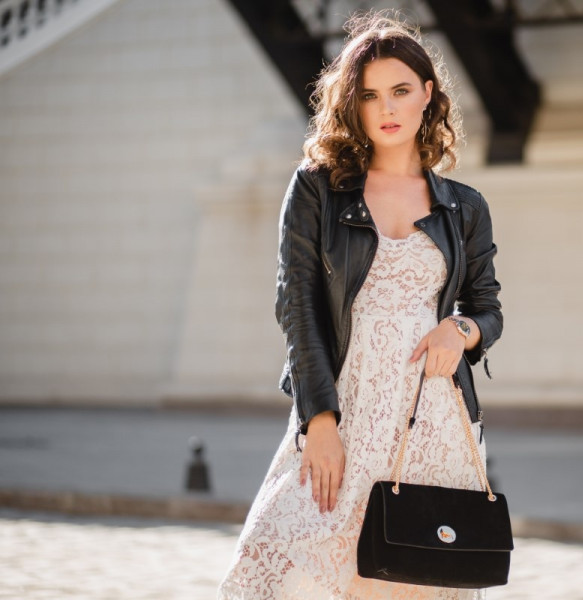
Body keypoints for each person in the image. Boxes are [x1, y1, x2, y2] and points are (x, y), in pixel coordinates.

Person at [218, 12, 502, 600]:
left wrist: (461, 330)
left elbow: (488, 308)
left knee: (414, 573)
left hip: (434, 420)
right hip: (345, 405)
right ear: (354, 104)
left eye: (400, 90)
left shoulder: (464, 207)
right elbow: (297, 307)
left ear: (428, 94)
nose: (387, 108)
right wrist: (318, 420)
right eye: (370, 95)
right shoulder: (317, 188)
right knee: (294, 559)